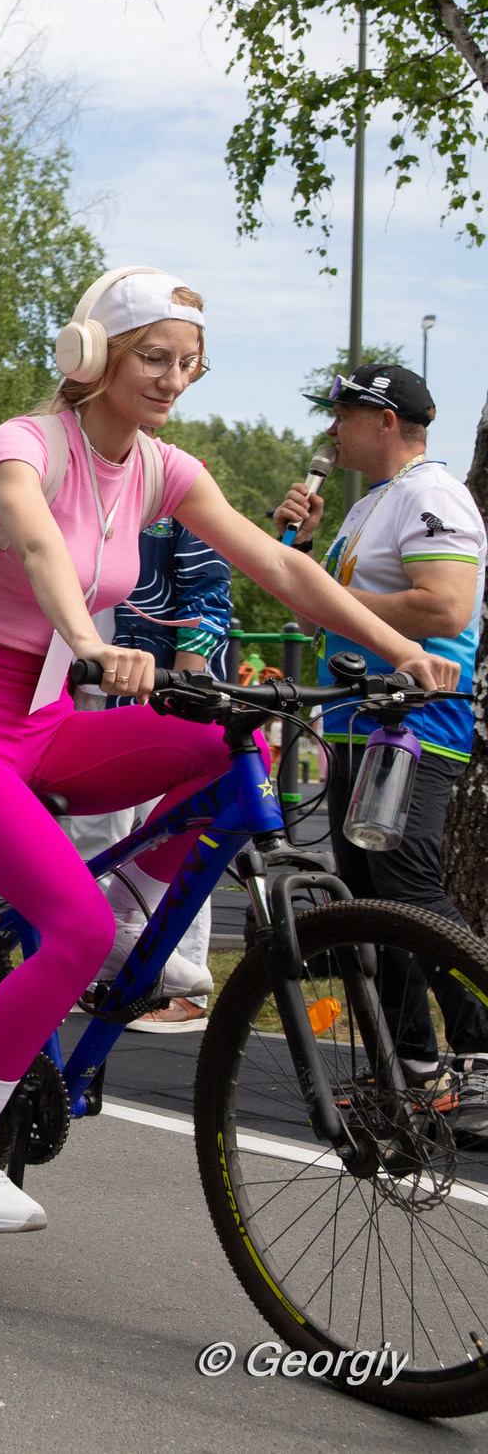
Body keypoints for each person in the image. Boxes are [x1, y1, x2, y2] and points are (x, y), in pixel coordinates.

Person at [0, 270, 455, 1234]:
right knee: (66, 925)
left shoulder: (162, 466)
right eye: (154, 357)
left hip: (49, 717)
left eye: (188, 364)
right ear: (94, 354)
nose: (171, 380)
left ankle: (130, 918)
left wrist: (403, 647)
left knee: (215, 744)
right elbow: (34, 544)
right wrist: (95, 641)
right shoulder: (25, 445)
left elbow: (277, 563)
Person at [275, 360, 488, 1110]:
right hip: (357, 724)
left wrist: (338, 599)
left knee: (407, 887)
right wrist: (300, 550)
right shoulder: (369, 508)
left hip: (415, 725)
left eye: (343, 415)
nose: (332, 431)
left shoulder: (432, 493)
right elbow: (317, 619)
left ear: (385, 420)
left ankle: (482, 1045)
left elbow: (448, 606)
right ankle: (414, 1068)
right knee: (365, 893)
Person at [82, 512, 237, 1034]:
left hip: (159, 690)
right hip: (82, 685)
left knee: (171, 834)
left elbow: (209, 589)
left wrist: (184, 692)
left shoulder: (172, 495)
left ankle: (180, 988)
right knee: (94, 837)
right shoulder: (72, 485)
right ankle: (96, 967)